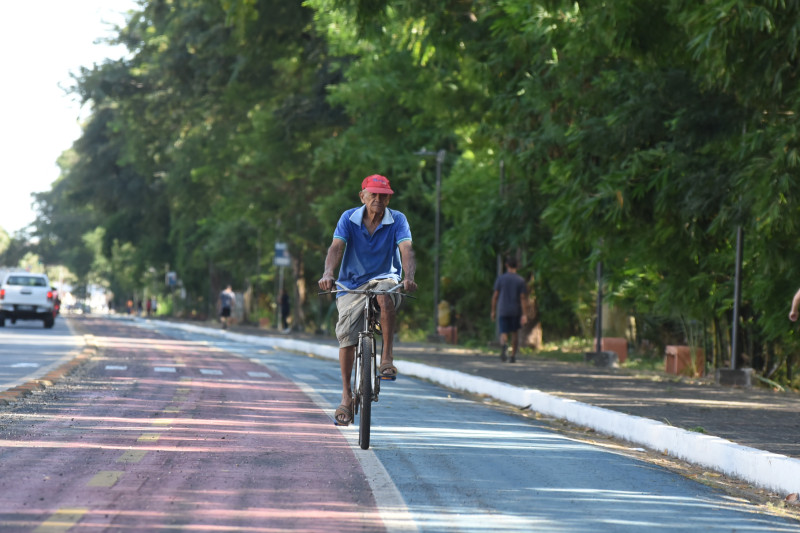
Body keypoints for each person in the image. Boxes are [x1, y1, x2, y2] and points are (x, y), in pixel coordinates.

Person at [318, 174, 417, 426]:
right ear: (362, 196)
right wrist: (328, 273)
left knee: (385, 295)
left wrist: (409, 277)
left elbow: (407, 250)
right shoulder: (348, 218)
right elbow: (336, 248)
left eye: (383, 195)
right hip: (350, 285)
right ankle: (346, 396)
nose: (378, 199)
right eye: (373, 194)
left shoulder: (398, 220)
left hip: (385, 278)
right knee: (347, 337)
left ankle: (387, 358)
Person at [490, 256, 529, 363]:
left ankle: (504, 346)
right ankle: (512, 356)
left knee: (503, 331)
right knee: (515, 333)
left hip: (503, 309)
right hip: (515, 310)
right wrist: (524, 314)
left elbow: (495, 296)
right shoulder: (520, 280)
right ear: (517, 266)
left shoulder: (501, 279)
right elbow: (522, 298)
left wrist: (493, 310)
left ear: (506, 265)